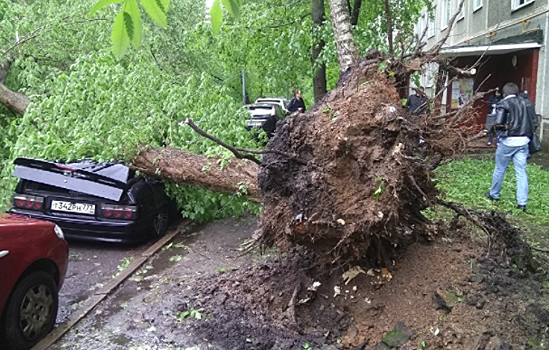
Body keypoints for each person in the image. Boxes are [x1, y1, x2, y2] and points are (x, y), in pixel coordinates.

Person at [485, 82, 537, 211]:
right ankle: (522, 203)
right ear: (516, 92)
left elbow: (498, 122)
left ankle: (494, 194)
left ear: (505, 93)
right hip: (523, 141)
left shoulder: (503, 103)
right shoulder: (527, 103)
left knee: (500, 169)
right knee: (521, 172)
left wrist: (490, 130)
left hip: (508, 141)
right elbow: (534, 122)